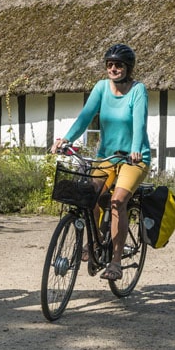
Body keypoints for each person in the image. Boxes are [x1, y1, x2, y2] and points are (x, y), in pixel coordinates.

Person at [50, 44, 151, 281]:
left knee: (117, 201)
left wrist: (136, 149)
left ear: (128, 68)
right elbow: (85, 116)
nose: (113, 69)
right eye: (109, 65)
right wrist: (67, 139)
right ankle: (93, 243)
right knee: (89, 197)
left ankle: (115, 261)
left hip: (133, 159)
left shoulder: (138, 90)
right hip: (106, 156)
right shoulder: (101, 88)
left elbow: (139, 123)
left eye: (118, 65)